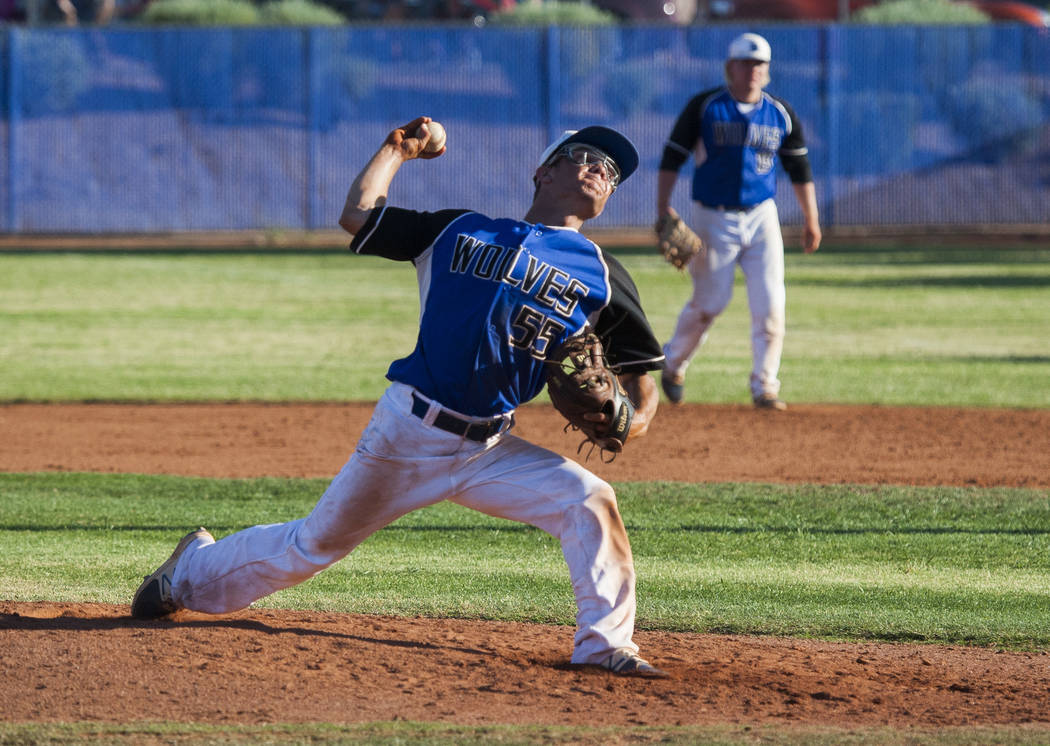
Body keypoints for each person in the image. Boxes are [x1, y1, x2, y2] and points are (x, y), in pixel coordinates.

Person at [130, 117, 668, 678]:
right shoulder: (460, 230)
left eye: (611, 172)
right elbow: (358, 216)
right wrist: (396, 151)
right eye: (586, 157)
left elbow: (641, 382)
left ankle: (604, 646)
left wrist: (630, 420)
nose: (600, 171)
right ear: (544, 171)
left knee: (589, 498)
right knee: (311, 547)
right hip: (408, 432)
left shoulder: (604, 276)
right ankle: (187, 572)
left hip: (490, 447)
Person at [656, 32, 821, 411]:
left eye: (759, 64)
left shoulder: (779, 113)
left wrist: (811, 219)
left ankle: (765, 386)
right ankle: (674, 363)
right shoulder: (705, 107)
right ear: (730, 67)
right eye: (745, 63)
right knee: (709, 303)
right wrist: (663, 207)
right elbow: (671, 158)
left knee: (771, 305)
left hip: (763, 216)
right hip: (713, 217)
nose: (752, 70)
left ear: (767, 71)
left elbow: (799, 167)